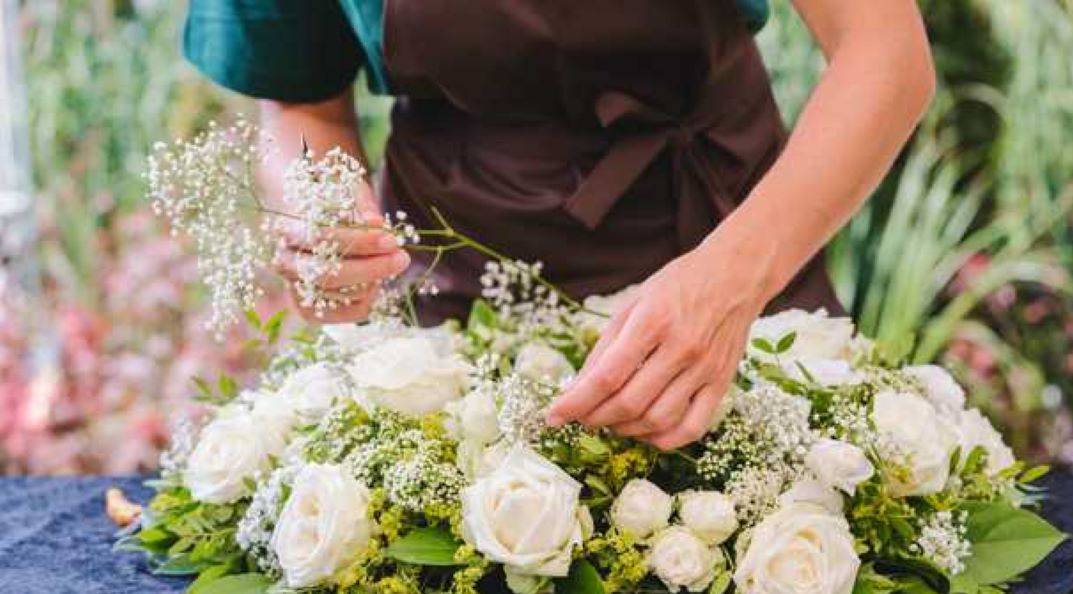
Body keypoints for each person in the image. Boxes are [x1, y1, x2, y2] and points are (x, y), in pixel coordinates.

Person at [183, 0, 934, 449]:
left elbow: (884, 53)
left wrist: (730, 283)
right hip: (451, 287)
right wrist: (323, 216)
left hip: (725, 246)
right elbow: (302, 99)